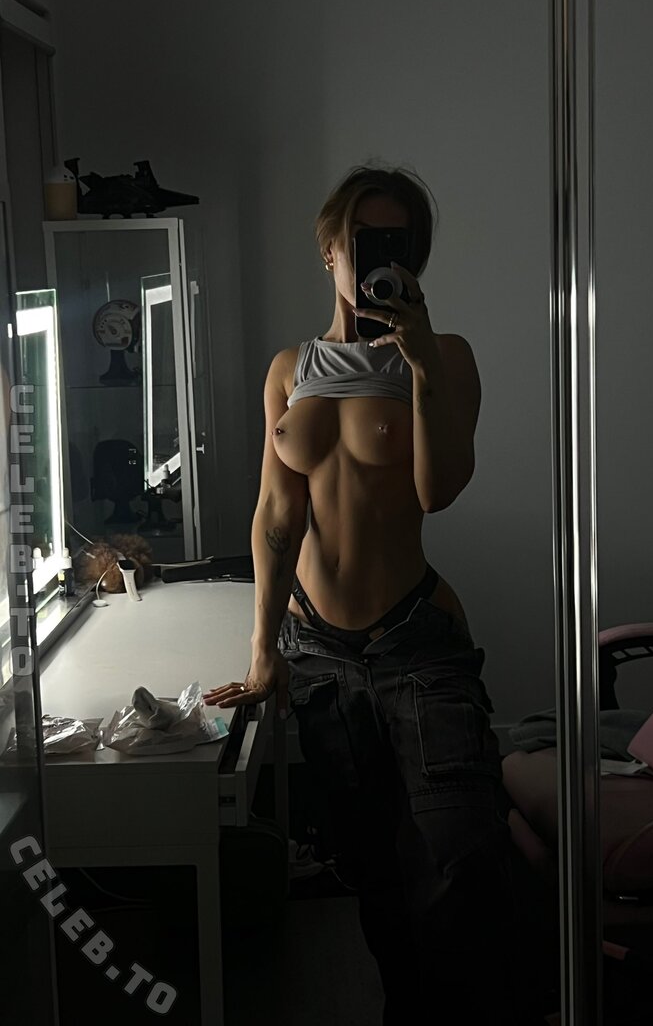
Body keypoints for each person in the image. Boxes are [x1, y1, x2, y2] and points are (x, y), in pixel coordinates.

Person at [204, 164, 527, 1024]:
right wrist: (263, 647)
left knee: (460, 859)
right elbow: (276, 516)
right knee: (372, 870)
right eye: (363, 240)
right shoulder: (290, 369)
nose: (377, 257)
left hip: (415, 639)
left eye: (398, 243)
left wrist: (418, 363)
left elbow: (437, 490)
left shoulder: (445, 357)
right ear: (330, 250)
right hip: (318, 653)